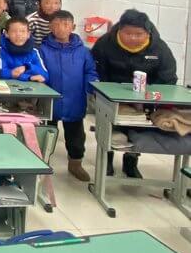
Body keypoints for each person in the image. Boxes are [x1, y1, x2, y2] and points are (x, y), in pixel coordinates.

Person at [92, 9, 177, 178]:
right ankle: (107, 160)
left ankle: (131, 162)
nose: (132, 38)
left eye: (138, 34)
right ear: (120, 30)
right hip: (112, 96)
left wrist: (150, 96)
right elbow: (97, 70)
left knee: (137, 129)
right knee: (111, 127)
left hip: (144, 98)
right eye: (128, 33)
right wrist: (106, 92)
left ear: (147, 32)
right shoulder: (105, 43)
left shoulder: (158, 48)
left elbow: (168, 77)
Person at [39, 10, 99, 181]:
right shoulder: (42, 50)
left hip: (75, 100)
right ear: (50, 26)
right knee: (46, 133)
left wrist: (93, 87)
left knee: (76, 137)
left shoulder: (83, 52)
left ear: (72, 27)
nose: (61, 28)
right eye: (57, 24)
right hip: (49, 101)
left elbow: (90, 72)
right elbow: (38, 71)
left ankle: (75, 164)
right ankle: (42, 163)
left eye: (66, 24)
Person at [0, 17, 48, 83]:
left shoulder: (34, 52)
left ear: (28, 34)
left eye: (23, 31)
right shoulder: (0, 51)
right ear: (6, 34)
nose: (18, 35)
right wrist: (28, 77)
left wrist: (27, 67)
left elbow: (45, 76)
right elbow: (1, 73)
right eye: (14, 31)